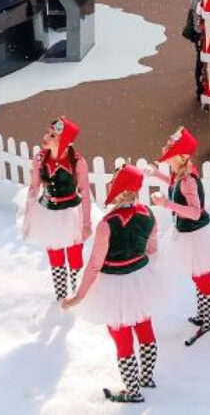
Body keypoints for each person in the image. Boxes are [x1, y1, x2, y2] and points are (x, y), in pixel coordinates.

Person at [64, 164, 161, 403]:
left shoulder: (107, 224)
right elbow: (152, 249)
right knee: (144, 326)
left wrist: (79, 295)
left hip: (113, 285)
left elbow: (94, 265)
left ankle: (133, 391)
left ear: (119, 188)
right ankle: (147, 377)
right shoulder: (148, 214)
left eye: (113, 181)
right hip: (140, 280)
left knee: (121, 335)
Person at [147, 127, 210, 345]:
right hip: (187, 233)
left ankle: (208, 321)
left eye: (169, 152)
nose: (165, 154)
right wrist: (156, 174)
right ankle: (203, 314)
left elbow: (196, 212)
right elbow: (173, 184)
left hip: (195, 235)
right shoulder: (180, 174)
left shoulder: (188, 180)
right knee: (197, 275)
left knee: (202, 277)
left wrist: (167, 204)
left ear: (179, 157)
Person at [21, 116, 92, 300]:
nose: (46, 137)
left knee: (75, 256)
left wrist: (86, 223)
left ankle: (76, 295)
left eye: (52, 135)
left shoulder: (77, 161)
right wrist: (28, 218)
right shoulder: (40, 159)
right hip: (47, 214)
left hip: (71, 214)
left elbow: (85, 192)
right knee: (55, 255)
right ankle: (61, 296)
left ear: (65, 141)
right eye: (48, 132)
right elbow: (34, 188)